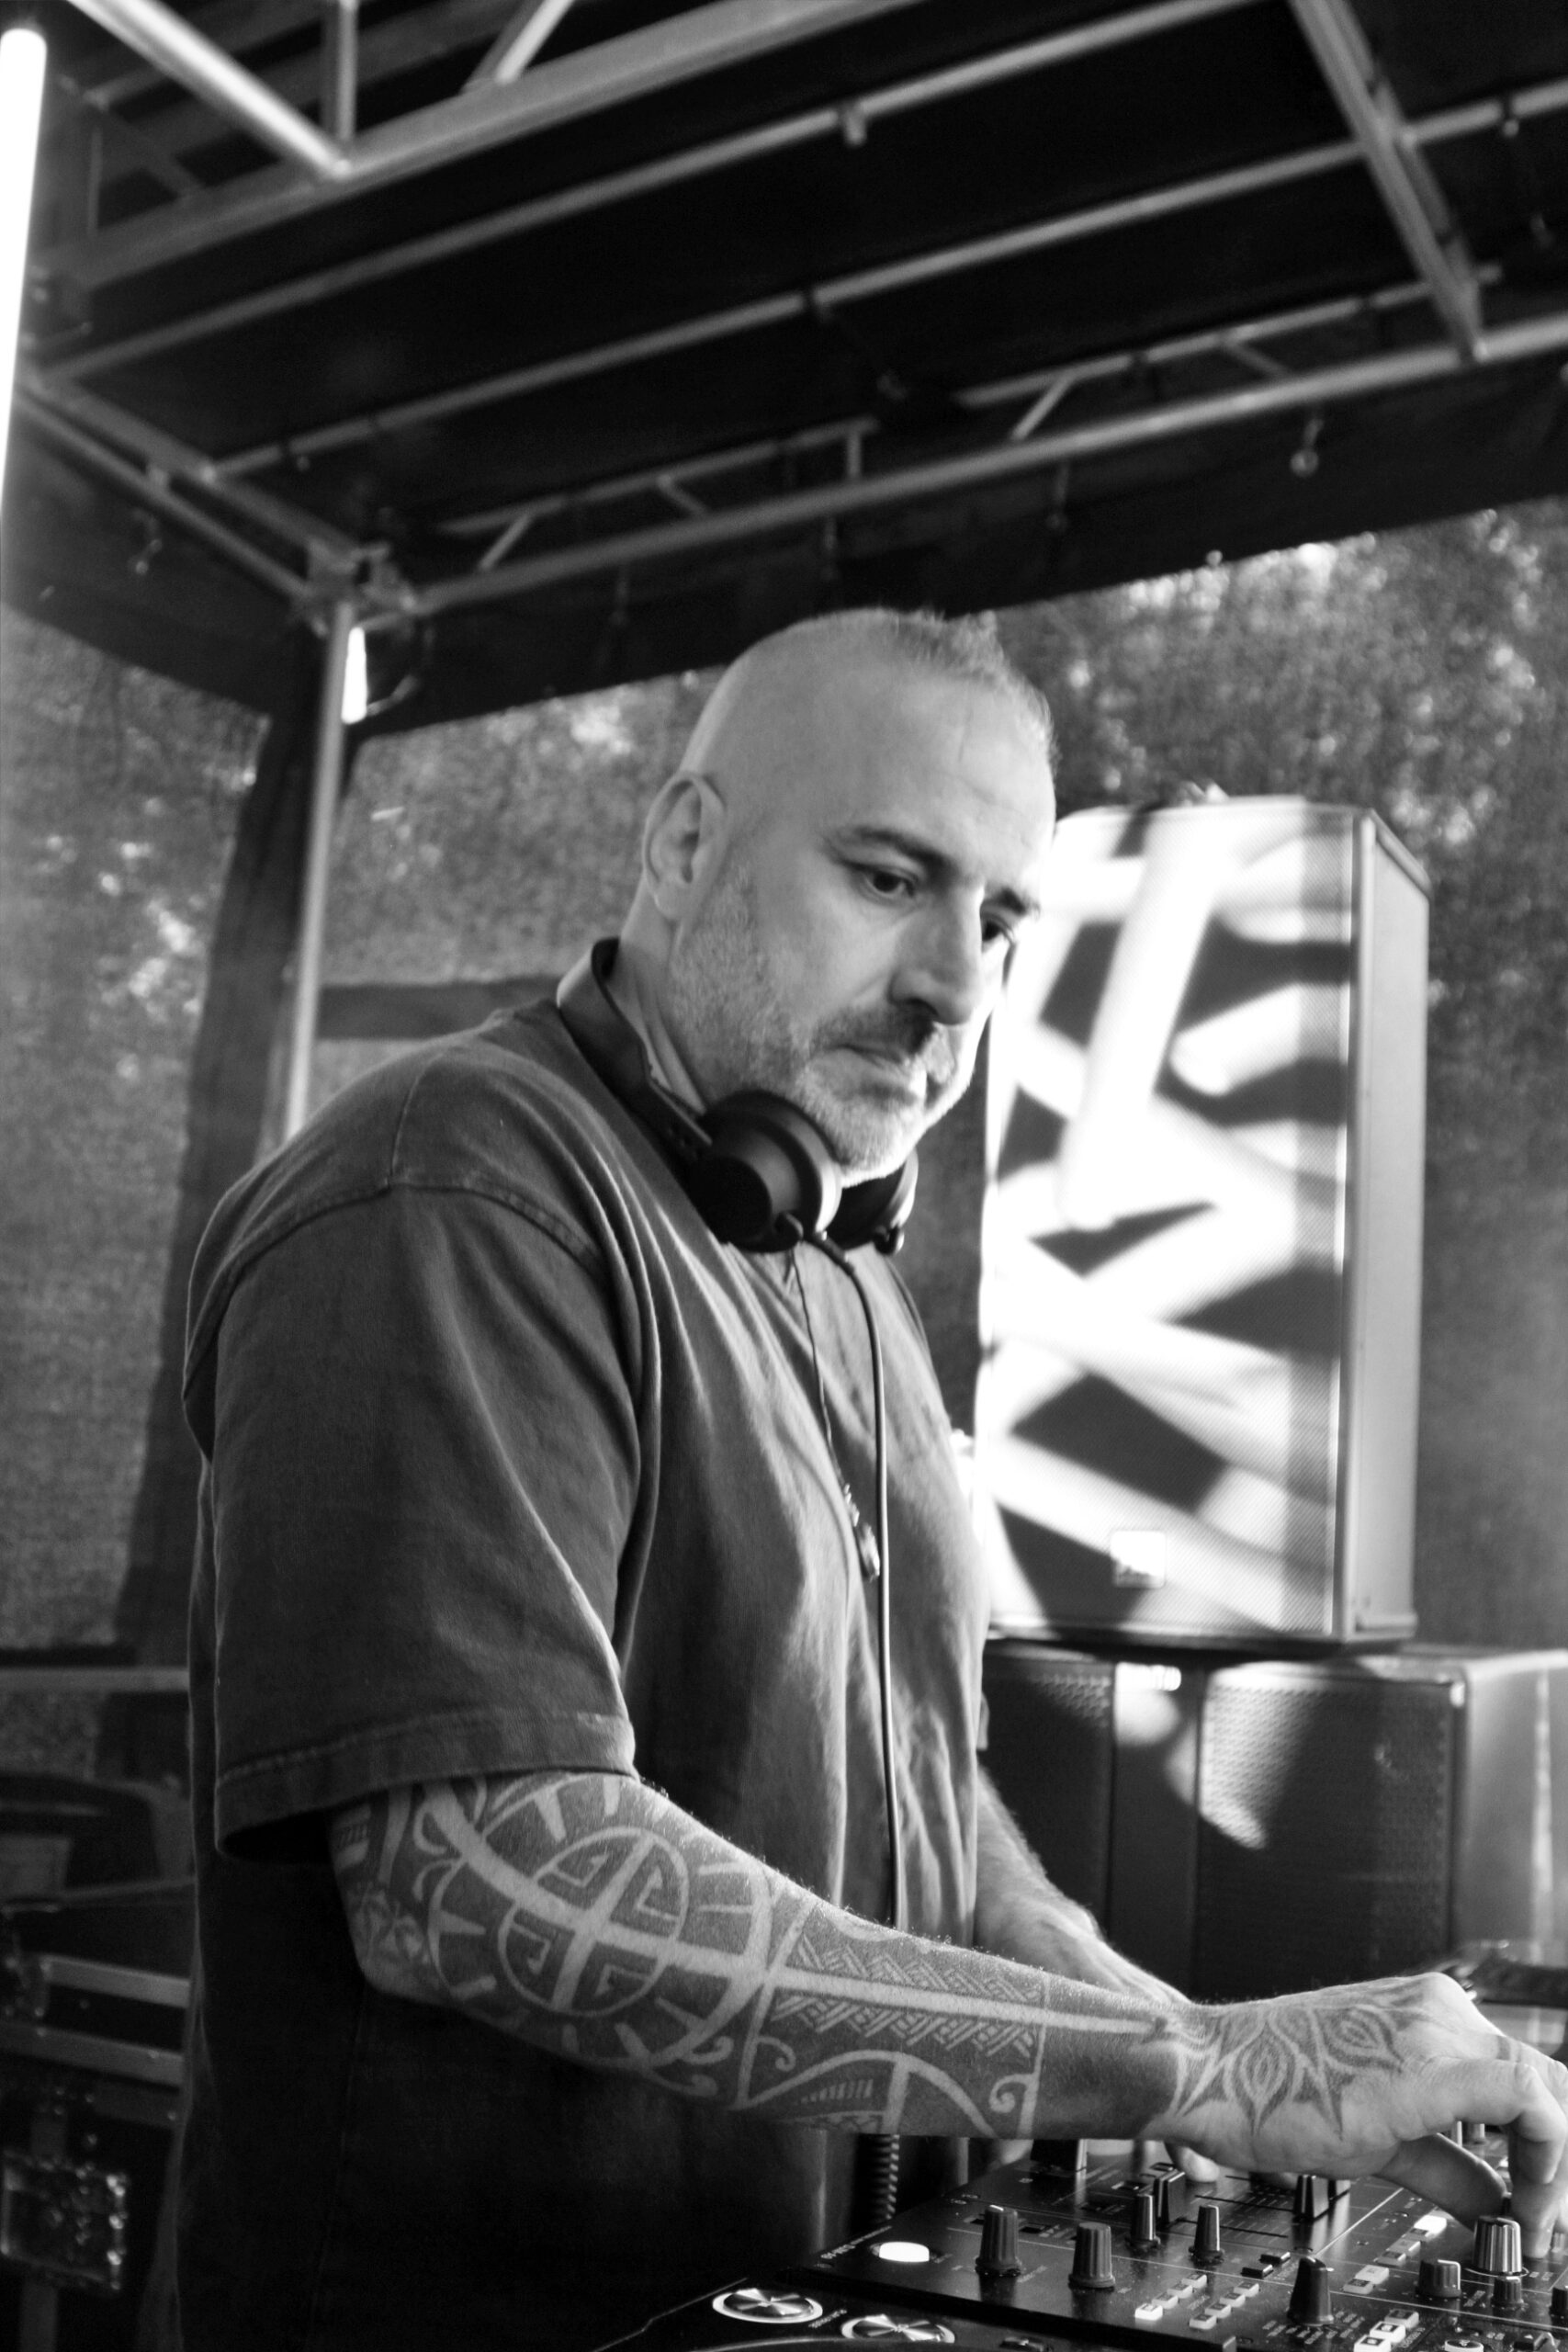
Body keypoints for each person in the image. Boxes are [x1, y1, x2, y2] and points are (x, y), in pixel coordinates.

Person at [176, 610, 1568, 2352]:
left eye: (1000, 920)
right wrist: (1195, 2064)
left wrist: (1173, 2045)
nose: (958, 987)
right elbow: (479, 1875)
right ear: (685, 844)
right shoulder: (449, 1191)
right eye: (892, 878)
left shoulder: (841, 1275)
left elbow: (926, 1794)